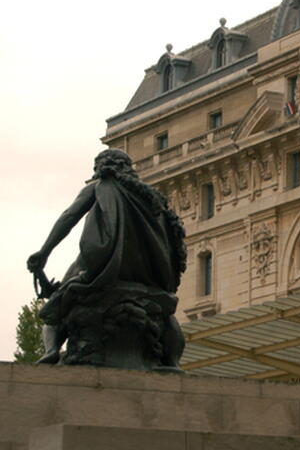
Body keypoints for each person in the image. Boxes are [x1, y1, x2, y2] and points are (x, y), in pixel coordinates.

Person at [26, 149, 186, 369]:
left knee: (55, 307)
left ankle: (52, 350)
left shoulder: (100, 187)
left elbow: (69, 217)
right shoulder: (152, 198)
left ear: (103, 168)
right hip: (149, 277)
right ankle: (172, 361)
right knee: (166, 315)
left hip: (105, 267)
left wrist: (44, 252)